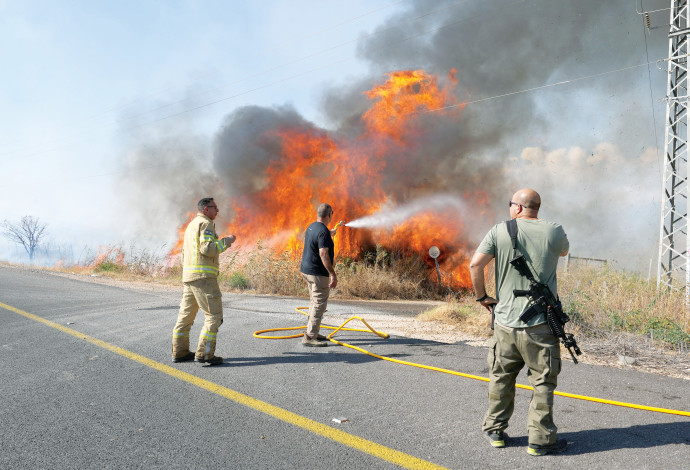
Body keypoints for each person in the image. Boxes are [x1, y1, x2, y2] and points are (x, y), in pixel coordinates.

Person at [469, 188, 569, 456]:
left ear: (518, 208)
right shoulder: (555, 230)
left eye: (510, 204)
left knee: (501, 377)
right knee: (543, 382)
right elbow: (563, 253)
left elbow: (475, 265)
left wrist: (482, 298)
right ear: (537, 207)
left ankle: (495, 430)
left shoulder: (499, 230)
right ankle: (540, 441)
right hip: (541, 325)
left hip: (504, 324)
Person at [171, 198, 236, 365]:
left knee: (185, 317)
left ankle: (180, 352)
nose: (218, 211)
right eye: (215, 208)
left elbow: (184, 253)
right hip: (204, 278)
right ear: (206, 209)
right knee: (214, 316)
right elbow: (207, 249)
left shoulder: (191, 225)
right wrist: (227, 241)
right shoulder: (205, 223)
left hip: (189, 278)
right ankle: (205, 354)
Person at [299, 203, 340, 347]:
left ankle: (313, 331)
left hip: (307, 270)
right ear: (329, 215)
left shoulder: (312, 227)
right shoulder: (323, 231)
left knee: (314, 301)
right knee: (319, 304)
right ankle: (310, 337)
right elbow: (323, 253)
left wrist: (330, 233)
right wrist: (332, 274)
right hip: (318, 273)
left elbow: (319, 237)